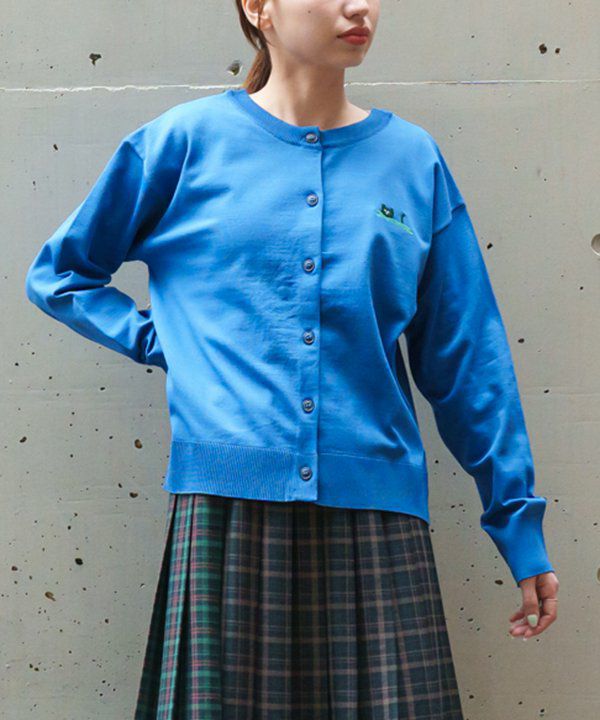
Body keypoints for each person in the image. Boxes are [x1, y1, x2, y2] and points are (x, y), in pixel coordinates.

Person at [24, 0, 559, 717]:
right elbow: (60, 275)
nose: (359, 6)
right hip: (226, 521)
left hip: (377, 521)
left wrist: (517, 525)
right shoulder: (184, 144)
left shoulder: (413, 161)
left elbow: (468, 361)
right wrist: (166, 341)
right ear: (259, 7)